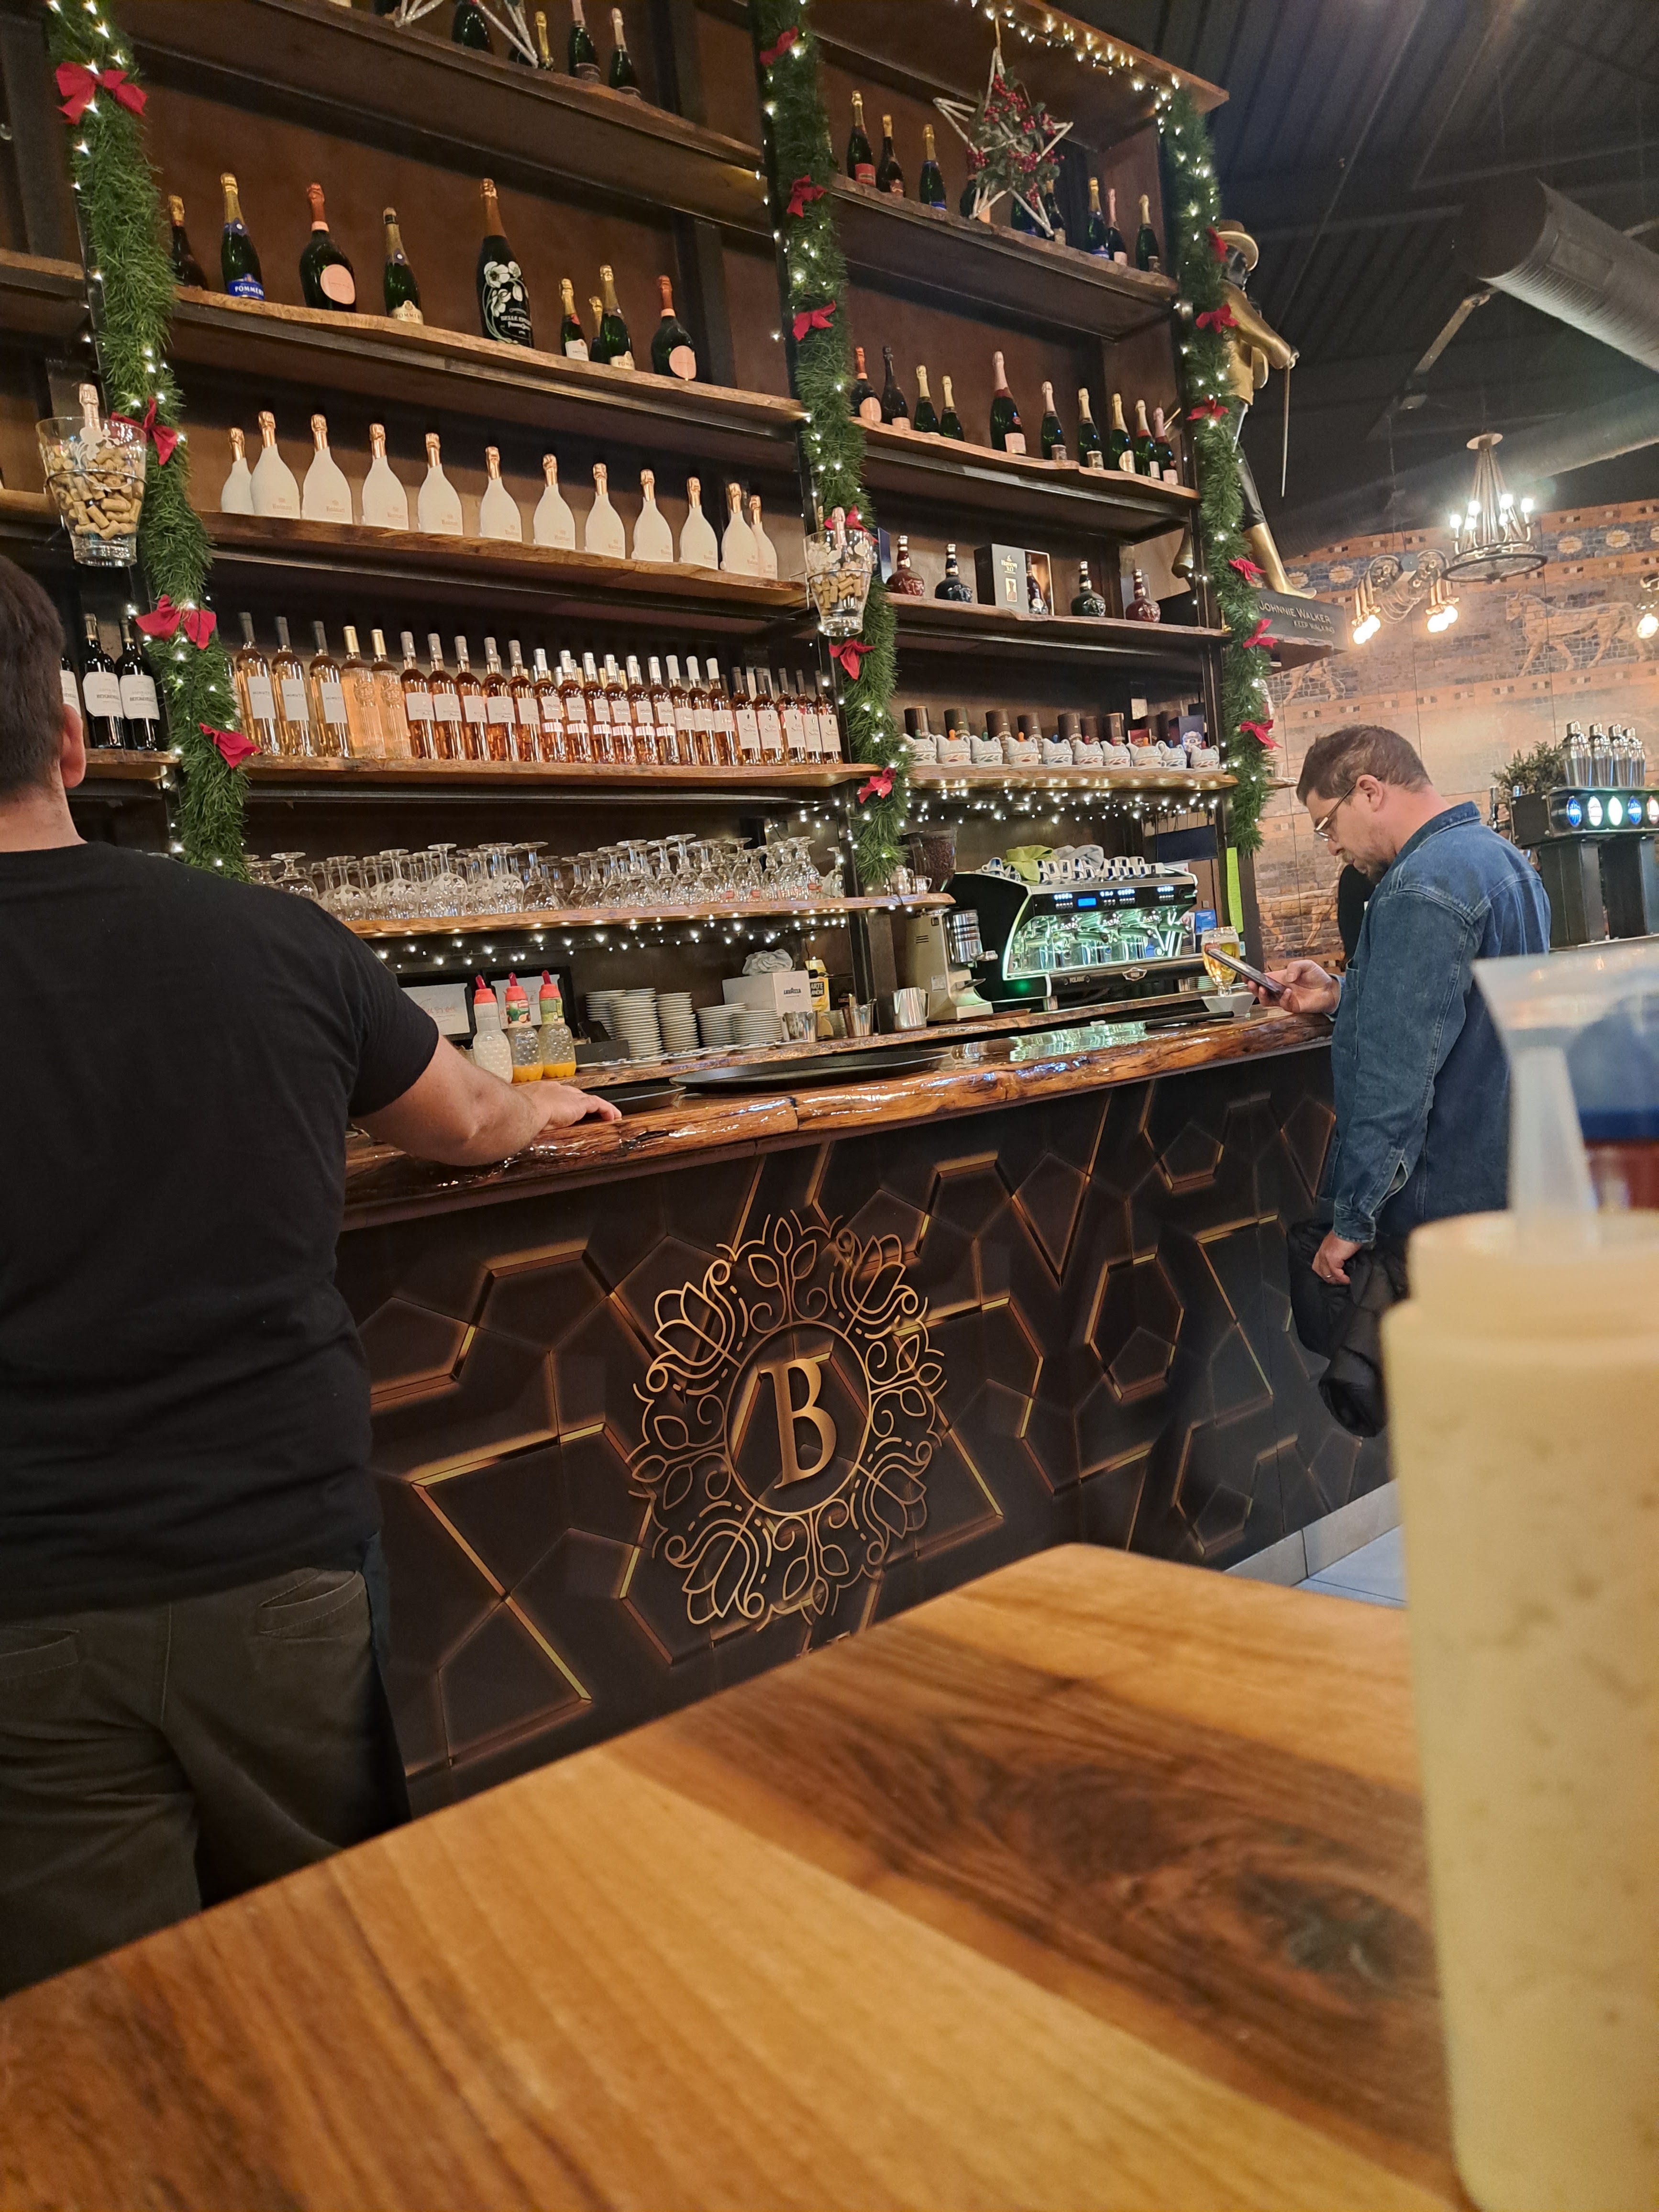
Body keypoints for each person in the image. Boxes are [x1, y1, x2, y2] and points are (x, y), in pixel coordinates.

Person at [0, 557, 619, 1996]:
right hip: (276, 1554)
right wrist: (543, 1105)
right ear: (74, 739)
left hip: (21, 1598)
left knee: (108, 2027)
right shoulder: (267, 936)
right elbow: (467, 1121)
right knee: (334, 1975)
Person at [1262, 723, 1549, 1287]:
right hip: (1507, 1190)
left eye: (1328, 824)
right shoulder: (1505, 861)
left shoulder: (1417, 888)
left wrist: (1354, 1217)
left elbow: (1397, 1077)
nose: (1331, 846)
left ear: (1369, 791)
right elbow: (1463, 1014)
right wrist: (1339, 995)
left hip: (1437, 1210)